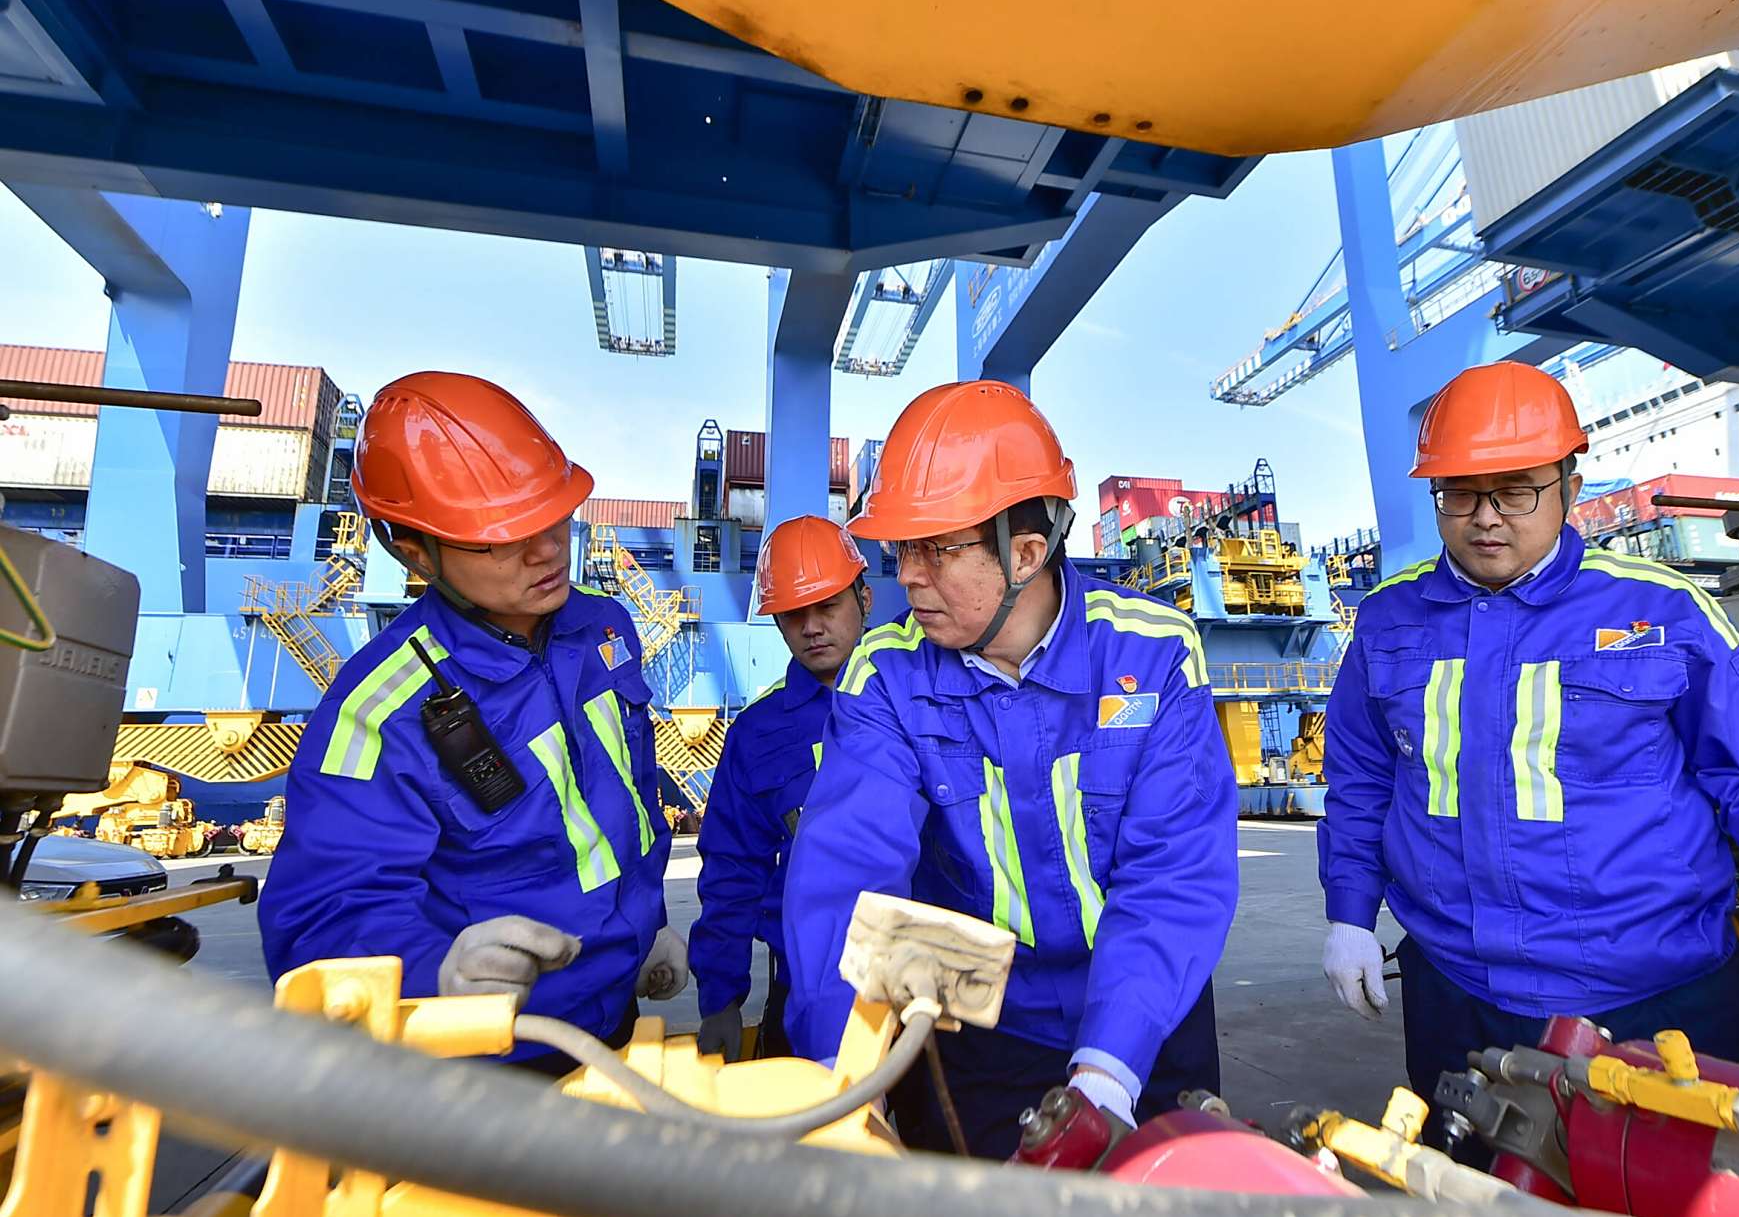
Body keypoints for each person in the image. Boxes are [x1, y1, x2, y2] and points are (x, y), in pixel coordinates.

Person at [1318, 361, 1739, 1129]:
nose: (1486, 517)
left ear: (1570, 483)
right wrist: (1350, 914)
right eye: (1459, 492)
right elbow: (1361, 785)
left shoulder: (1660, 609)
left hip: (1657, 999)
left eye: (1517, 488)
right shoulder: (1388, 624)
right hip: (1458, 997)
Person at [781, 380, 1239, 1159]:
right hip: (983, 1033)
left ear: (1026, 553)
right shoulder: (886, 675)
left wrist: (1105, 1076)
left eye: (934, 549)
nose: (907, 577)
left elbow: (1173, 876)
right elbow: (847, 875)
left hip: (1146, 1022)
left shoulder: (1153, 653)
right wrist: (840, 1079)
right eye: (900, 550)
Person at [260, 371, 686, 1074]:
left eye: (554, 514)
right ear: (413, 551)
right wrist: (434, 975)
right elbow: (319, 918)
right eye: (498, 537)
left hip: (612, 1017)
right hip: (484, 1059)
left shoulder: (604, 629)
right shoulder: (378, 710)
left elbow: (632, 799)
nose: (548, 548)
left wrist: (649, 925)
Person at [689, 515, 871, 1061]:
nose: (812, 627)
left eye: (828, 607)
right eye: (794, 614)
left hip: (926, 987)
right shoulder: (758, 733)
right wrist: (720, 998)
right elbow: (732, 867)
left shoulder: (921, 698)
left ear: (865, 598)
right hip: (805, 990)